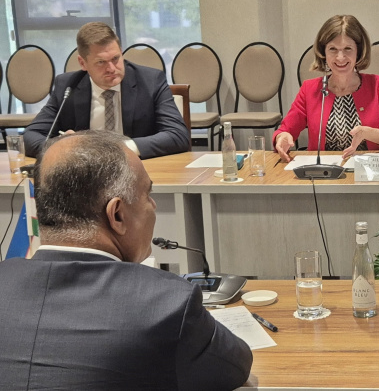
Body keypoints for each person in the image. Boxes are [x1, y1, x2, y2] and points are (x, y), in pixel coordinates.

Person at [0, 131, 253, 390]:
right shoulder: (167, 303)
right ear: (117, 215)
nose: (153, 206)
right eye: (147, 195)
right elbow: (236, 366)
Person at [24, 22, 190, 160]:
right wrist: (65, 147)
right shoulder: (68, 86)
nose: (112, 68)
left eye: (116, 58)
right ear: (83, 63)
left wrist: (117, 148)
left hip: (138, 169)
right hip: (86, 177)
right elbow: (31, 136)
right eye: (101, 62)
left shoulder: (151, 81)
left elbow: (178, 136)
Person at [273, 15, 379, 161]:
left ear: (359, 51)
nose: (340, 57)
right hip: (323, 175)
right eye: (333, 49)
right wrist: (282, 137)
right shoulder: (309, 89)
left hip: (366, 172)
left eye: (348, 49)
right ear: (323, 52)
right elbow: (285, 130)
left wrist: (367, 132)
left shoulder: (376, 85)